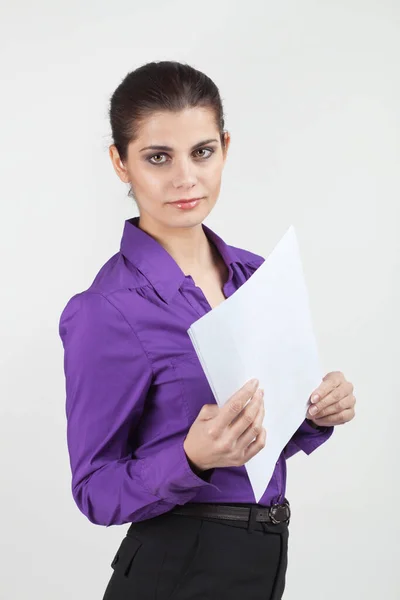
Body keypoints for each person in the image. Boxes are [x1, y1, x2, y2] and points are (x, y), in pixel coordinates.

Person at [59, 60, 356, 600]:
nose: (185, 178)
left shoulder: (257, 276)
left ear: (224, 147)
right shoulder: (106, 309)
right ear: (120, 163)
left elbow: (262, 440)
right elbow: (94, 488)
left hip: (262, 559)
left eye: (201, 152)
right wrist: (191, 458)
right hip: (177, 570)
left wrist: (314, 414)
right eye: (157, 158)